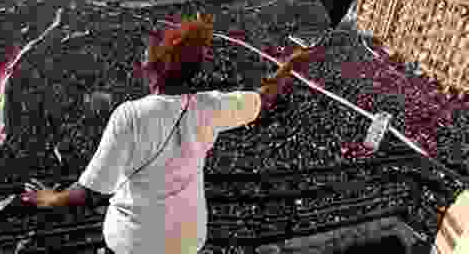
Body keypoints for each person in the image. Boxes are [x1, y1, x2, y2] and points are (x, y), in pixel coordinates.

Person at [19, 14, 317, 254]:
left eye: (145, 61)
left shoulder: (130, 115)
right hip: (186, 241)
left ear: (155, 70)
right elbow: (263, 99)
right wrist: (290, 65)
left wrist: (49, 199)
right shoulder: (211, 107)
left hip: (133, 244)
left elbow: (90, 191)